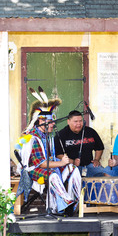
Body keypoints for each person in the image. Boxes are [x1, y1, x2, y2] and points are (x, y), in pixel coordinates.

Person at [20, 87, 81, 215]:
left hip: (50, 166)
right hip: (34, 171)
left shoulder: (48, 136)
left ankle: (74, 204)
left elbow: (51, 159)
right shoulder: (33, 138)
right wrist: (61, 163)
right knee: (53, 174)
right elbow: (41, 164)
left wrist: (64, 162)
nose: (53, 125)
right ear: (41, 121)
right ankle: (66, 203)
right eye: (51, 122)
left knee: (73, 169)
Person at [54, 110, 105, 177]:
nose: (79, 124)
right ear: (68, 121)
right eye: (75, 121)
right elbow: (58, 154)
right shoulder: (61, 135)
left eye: (80, 121)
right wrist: (72, 161)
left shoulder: (90, 132)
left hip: (89, 165)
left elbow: (99, 148)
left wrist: (96, 159)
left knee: (103, 173)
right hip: (71, 166)